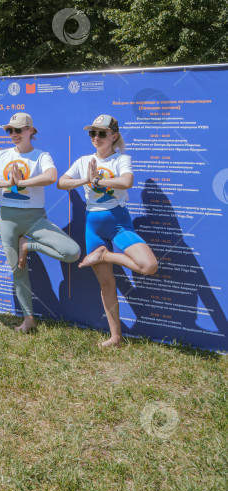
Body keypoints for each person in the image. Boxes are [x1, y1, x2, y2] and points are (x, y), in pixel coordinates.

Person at [58, 114, 158, 347]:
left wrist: (97, 182)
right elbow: (62, 182)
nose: (96, 137)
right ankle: (116, 337)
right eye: (92, 133)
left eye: (101, 133)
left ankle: (104, 256)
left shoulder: (121, 159)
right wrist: (85, 178)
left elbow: (126, 182)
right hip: (93, 224)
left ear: (114, 136)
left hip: (118, 221)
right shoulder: (84, 160)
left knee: (148, 266)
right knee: (107, 284)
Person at [0, 112, 81, 333]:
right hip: (7, 220)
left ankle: (27, 245)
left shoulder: (41, 155)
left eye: (18, 130)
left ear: (30, 131)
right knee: (18, 270)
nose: (13, 134)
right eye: (10, 130)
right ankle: (28, 320)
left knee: (72, 252)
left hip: (35, 218)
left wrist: (22, 182)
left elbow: (51, 176)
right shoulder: (1, 155)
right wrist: (7, 183)